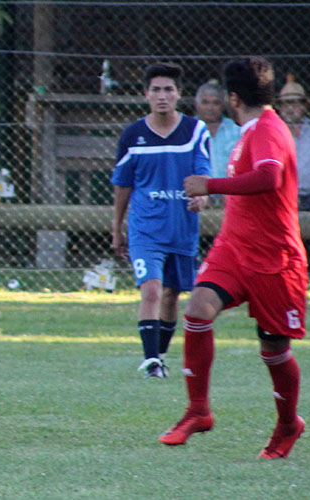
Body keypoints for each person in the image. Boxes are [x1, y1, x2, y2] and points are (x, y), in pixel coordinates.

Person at [164, 57, 308, 460]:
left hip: (275, 259)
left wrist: (210, 182)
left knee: (274, 349)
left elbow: (269, 178)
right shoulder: (250, 130)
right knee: (197, 310)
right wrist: (214, 194)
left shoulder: (267, 130)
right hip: (234, 248)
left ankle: (287, 424)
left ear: (232, 97)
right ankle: (198, 410)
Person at [110, 62, 211, 379]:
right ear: (146, 94)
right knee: (151, 290)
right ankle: (151, 361)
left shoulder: (195, 131)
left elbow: (203, 173)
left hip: (181, 229)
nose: (162, 95)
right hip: (145, 230)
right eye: (156, 89)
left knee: (171, 295)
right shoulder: (133, 134)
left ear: (179, 94)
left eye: (169, 89)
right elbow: (123, 185)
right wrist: (117, 227)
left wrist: (202, 196)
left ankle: (161, 355)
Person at [274, 75, 310, 266]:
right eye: (286, 103)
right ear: (279, 106)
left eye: (296, 103)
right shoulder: (274, 130)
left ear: (304, 106)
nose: (291, 107)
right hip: (281, 194)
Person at [195, 79, 241, 181]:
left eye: (216, 103)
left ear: (223, 106)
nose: (210, 108)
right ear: (196, 104)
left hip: (230, 191)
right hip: (197, 193)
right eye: (205, 102)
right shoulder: (188, 129)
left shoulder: (237, 129)